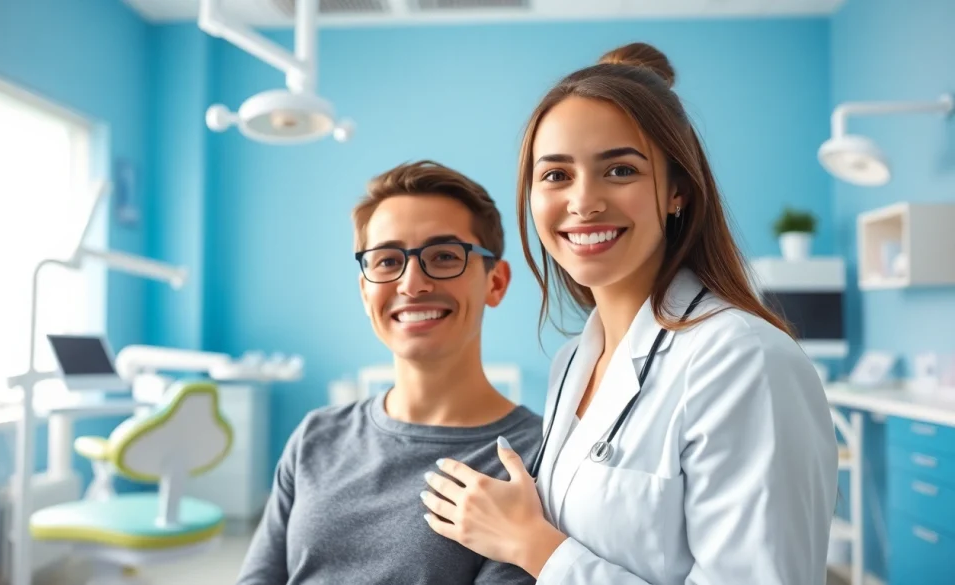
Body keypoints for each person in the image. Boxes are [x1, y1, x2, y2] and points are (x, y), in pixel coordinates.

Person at [419, 42, 839, 584]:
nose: (583, 202)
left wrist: (535, 547)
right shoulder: (573, 362)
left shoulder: (742, 360)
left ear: (678, 192)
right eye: (555, 175)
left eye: (619, 170)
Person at [234, 160, 542, 585]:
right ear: (365, 291)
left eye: (445, 256)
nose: (412, 284)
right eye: (386, 261)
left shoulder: (533, 459)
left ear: (496, 282)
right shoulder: (315, 437)